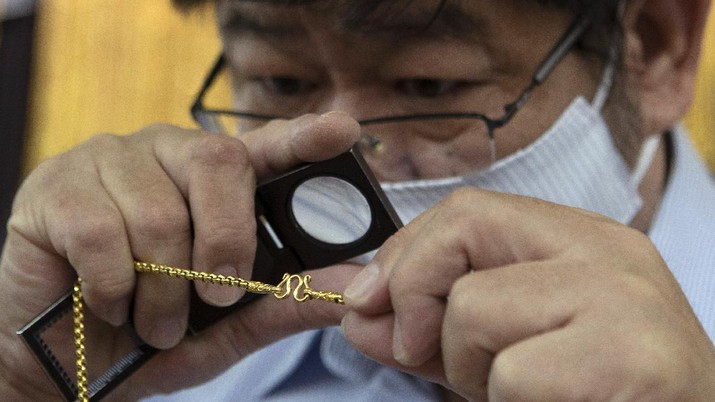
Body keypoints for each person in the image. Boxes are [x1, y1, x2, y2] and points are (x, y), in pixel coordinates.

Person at [2, 0, 714, 400]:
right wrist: (22, 382)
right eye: (280, 83)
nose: (342, 158)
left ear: (654, 50)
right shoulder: (143, 346)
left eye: (428, 87)